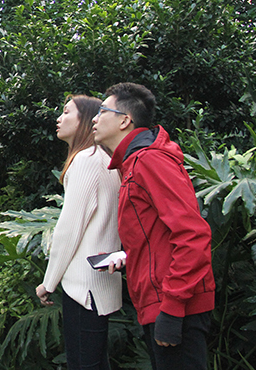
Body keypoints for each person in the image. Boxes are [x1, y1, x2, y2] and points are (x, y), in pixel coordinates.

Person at [92, 82, 215, 370]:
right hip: (161, 302)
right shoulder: (134, 163)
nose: (94, 119)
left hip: (175, 305)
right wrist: (129, 257)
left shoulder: (150, 160)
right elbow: (157, 236)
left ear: (125, 120)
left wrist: (172, 309)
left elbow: (193, 234)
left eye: (102, 111)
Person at [35, 95, 122, 370]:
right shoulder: (104, 160)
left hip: (84, 288)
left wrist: (49, 282)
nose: (59, 118)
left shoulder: (86, 160)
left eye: (66, 112)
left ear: (85, 120)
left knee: (84, 364)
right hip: (99, 284)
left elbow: (69, 229)